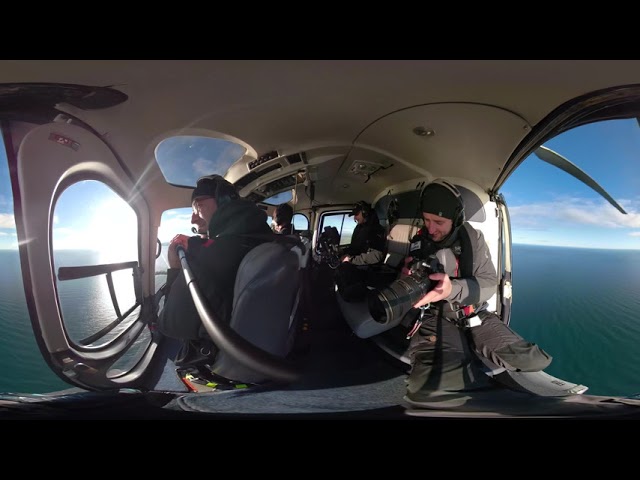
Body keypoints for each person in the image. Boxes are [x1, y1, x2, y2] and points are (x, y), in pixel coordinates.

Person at [402, 179, 552, 401]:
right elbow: (407, 278)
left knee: (532, 359)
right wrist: (405, 275)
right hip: (435, 315)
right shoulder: (419, 241)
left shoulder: (473, 240)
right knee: (438, 385)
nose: (430, 228)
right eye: (426, 220)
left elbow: (489, 283)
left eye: (438, 221)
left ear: (456, 219)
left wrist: (453, 288)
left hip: (473, 312)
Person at [157, 174, 273, 364]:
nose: (193, 219)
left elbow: (169, 324)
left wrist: (176, 270)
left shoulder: (206, 257)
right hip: (263, 341)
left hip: (229, 353)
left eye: (199, 206)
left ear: (224, 201)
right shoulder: (263, 237)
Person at [335, 200, 386, 301]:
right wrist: (342, 252)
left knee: (347, 291)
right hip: (357, 265)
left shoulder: (376, 230)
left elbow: (376, 256)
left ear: (365, 213)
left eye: (356, 214)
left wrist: (351, 260)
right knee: (338, 272)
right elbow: (354, 247)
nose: (354, 218)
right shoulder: (359, 228)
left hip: (367, 269)